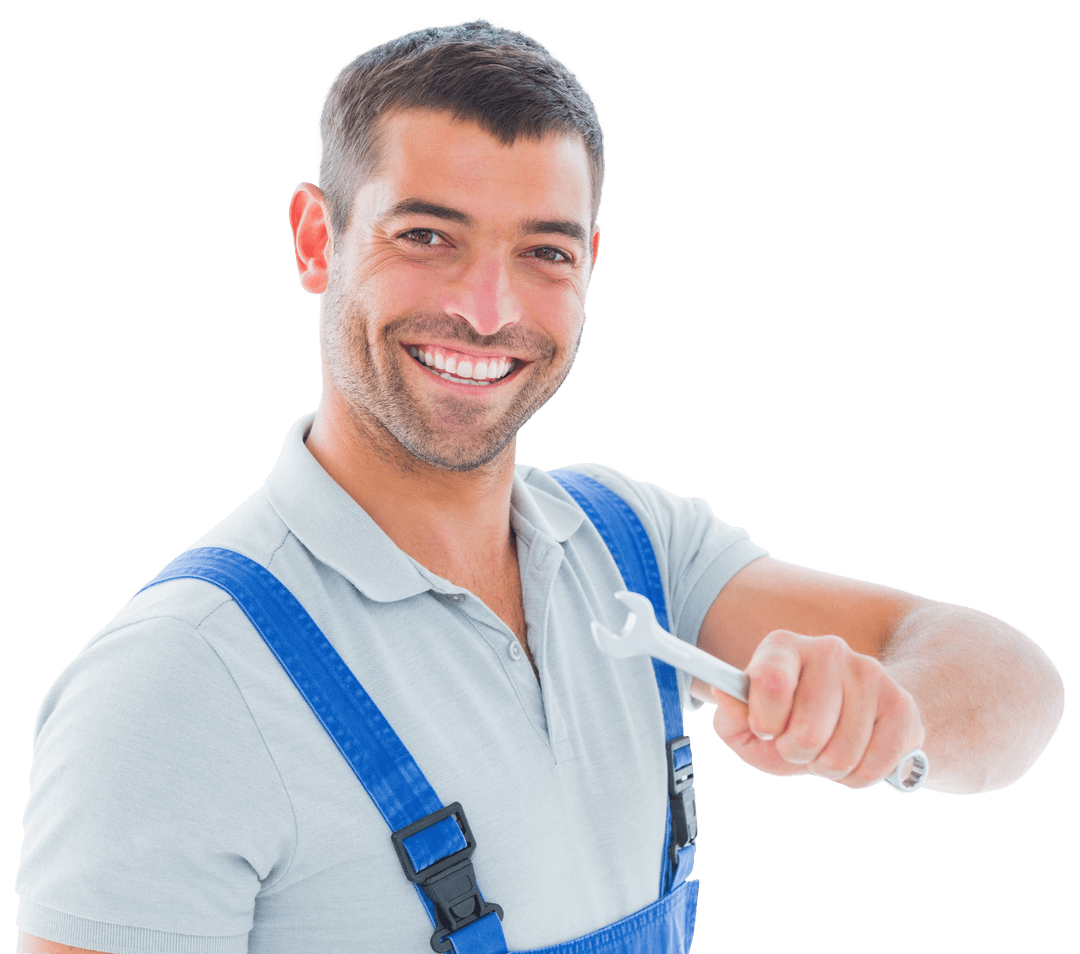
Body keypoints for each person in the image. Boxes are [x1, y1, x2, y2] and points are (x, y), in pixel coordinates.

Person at [15, 16, 1065, 954]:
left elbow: (1014, 683)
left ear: (590, 267)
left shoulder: (630, 549)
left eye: (544, 252)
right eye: (426, 236)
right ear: (314, 239)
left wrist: (895, 715)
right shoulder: (177, 690)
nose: (485, 308)